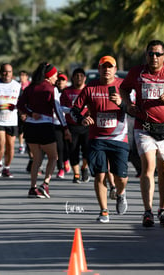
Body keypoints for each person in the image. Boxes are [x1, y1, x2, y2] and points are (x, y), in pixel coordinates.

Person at [120, 40, 164, 228]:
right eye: (151, 53)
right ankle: (148, 211)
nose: (154, 57)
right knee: (148, 166)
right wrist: (128, 103)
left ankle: (163, 209)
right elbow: (124, 88)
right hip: (144, 127)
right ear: (146, 55)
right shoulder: (137, 72)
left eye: (158, 54)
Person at [71, 56, 129, 223]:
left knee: (121, 178)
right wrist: (81, 119)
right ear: (99, 69)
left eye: (110, 67)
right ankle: (104, 210)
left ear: (115, 69)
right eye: (104, 67)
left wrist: (122, 104)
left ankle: (121, 193)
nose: (107, 70)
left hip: (119, 137)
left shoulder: (122, 87)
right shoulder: (90, 88)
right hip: (97, 138)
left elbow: (134, 109)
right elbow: (75, 110)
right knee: (100, 175)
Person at [17, 62, 71, 198]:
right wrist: (65, 128)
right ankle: (45, 184)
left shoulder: (30, 88)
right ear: (49, 75)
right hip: (45, 126)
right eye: (55, 75)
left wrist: (30, 113)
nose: (56, 78)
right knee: (54, 157)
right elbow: (58, 110)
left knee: (37, 158)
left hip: (30, 126)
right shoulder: (52, 89)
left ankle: (32, 187)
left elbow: (20, 104)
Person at [60, 68, 90, 183]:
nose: (78, 78)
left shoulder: (89, 90)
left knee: (87, 150)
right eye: (76, 75)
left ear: (84, 78)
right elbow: (61, 108)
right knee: (73, 150)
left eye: (81, 75)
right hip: (72, 126)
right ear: (72, 78)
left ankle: (84, 167)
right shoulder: (67, 92)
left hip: (87, 126)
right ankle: (76, 174)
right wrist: (72, 110)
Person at [53, 72, 71, 179]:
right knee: (59, 147)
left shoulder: (68, 92)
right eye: (59, 80)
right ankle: (60, 169)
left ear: (66, 81)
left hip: (68, 123)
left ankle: (66, 160)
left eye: (62, 80)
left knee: (67, 146)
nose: (60, 82)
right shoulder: (53, 91)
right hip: (56, 123)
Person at [17, 70, 30, 154]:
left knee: (28, 129)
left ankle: (28, 144)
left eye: (23, 75)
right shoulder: (17, 86)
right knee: (20, 129)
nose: (21, 77)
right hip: (19, 109)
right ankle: (21, 145)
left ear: (26, 77)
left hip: (28, 110)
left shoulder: (30, 86)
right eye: (20, 75)